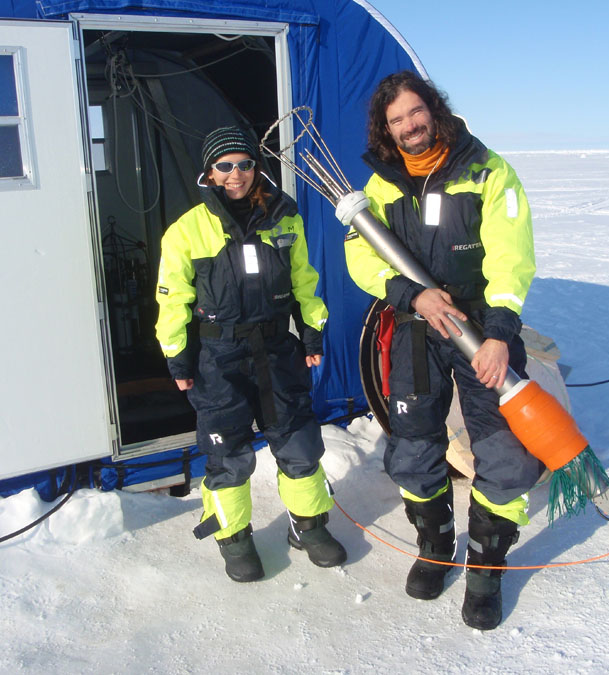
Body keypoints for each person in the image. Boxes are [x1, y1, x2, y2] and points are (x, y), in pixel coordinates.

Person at [343, 71, 544, 630]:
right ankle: (435, 544)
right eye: (396, 120)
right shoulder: (381, 186)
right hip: (414, 325)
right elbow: (362, 257)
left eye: (415, 112)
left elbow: (512, 255)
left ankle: (486, 569)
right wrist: (413, 294)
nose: (409, 125)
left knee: (503, 449)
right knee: (413, 444)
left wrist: (501, 331)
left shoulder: (487, 171)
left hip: (480, 325)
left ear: (433, 108)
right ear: (386, 130)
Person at [155, 126, 347, 582]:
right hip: (219, 356)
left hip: (278, 348)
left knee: (299, 442)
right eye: (225, 166)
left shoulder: (284, 217)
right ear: (210, 173)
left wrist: (312, 333)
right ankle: (234, 538)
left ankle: (308, 526)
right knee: (227, 452)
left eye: (244, 164)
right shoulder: (187, 230)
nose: (236, 174)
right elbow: (172, 298)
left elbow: (304, 280)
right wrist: (177, 356)